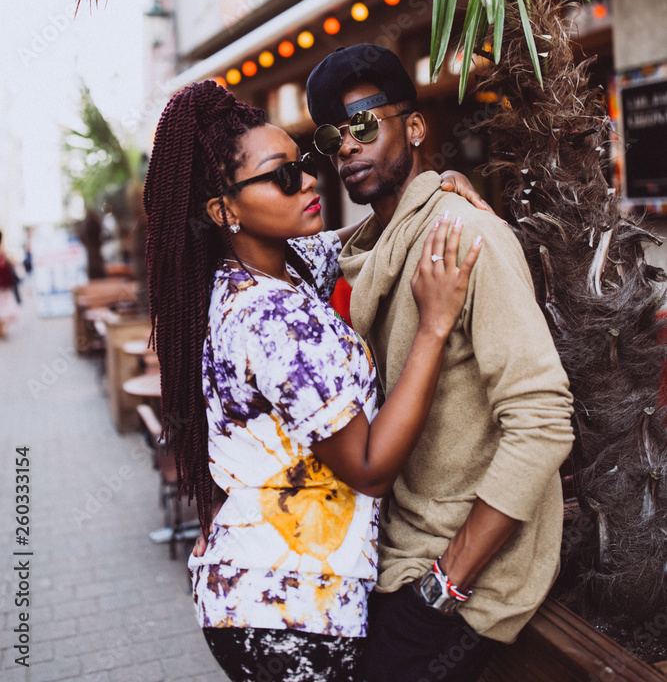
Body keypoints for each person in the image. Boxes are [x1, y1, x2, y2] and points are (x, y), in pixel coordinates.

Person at [143, 80, 484, 682]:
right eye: (281, 176)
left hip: (263, 594)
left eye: (303, 165)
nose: (308, 181)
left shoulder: (271, 272)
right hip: (289, 612)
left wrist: (432, 192)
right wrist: (434, 327)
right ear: (224, 210)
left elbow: (355, 239)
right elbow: (370, 467)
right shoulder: (273, 315)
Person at [306, 44, 575, 682]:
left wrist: (447, 582)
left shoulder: (463, 237)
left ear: (416, 127)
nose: (346, 146)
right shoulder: (367, 250)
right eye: (331, 136)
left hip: (459, 580)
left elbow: (543, 420)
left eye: (364, 124)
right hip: (388, 551)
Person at [0, 232, 19, 338]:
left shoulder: (4, 252)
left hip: (4, 285)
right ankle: (2, 329)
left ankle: (2, 329)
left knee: (3, 307)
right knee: (4, 307)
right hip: (4, 285)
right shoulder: (3, 252)